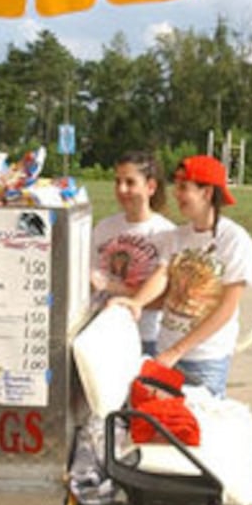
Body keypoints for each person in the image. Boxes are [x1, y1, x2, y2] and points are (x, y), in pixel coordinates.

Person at [113, 155, 252, 397]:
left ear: (207, 192)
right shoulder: (177, 235)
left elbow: (227, 307)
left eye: (183, 187)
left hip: (204, 360)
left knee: (199, 428)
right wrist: (137, 302)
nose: (176, 194)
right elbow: (162, 275)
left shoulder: (234, 240)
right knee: (161, 426)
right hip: (166, 351)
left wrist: (178, 351)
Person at [90, 151, 174, 356]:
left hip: (144, 338)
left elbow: (163, 300)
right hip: (102, 333)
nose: (121, 189)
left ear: (151, 187)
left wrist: (115, 288)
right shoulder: (104, 227)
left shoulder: (166, 233)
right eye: (117, 181)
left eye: (130, 182)